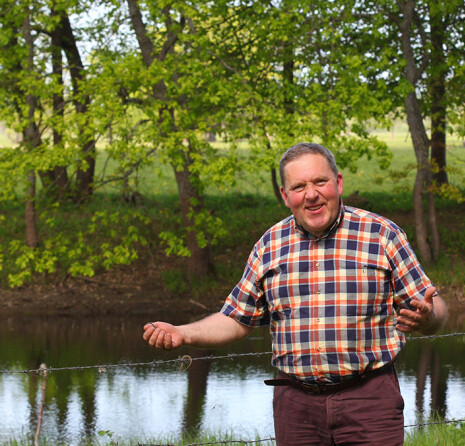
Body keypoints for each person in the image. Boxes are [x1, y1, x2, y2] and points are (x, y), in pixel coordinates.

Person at [143, 142, 448, 445]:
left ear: (338, 183)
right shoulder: (269, 246)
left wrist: (429, 316)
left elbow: (434, 310)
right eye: (299, 186)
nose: (311, 194)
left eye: (320, 181)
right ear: (285, 195)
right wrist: (183, 333)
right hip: (296, 408)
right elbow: (236, 319)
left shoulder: (381, 235)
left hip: (369, 401)